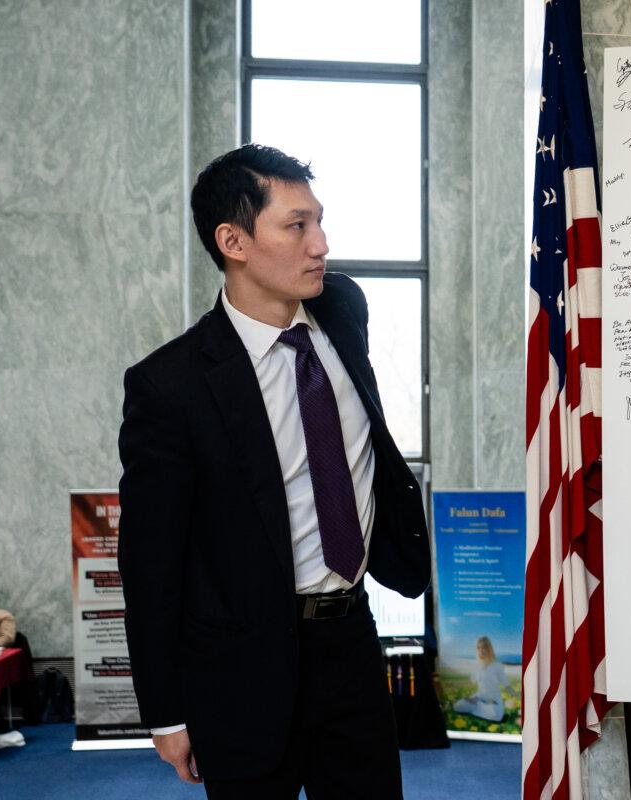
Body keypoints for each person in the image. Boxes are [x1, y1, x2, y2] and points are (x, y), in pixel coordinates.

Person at [117, 143, 430, 799]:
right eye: (297, 226)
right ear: (232, 240)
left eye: (319, 221)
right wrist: (166, 713)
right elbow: (151, 562)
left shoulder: (342, 309)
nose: (321, 244)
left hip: (349, 638)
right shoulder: (170, 387)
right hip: (240, 664)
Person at [452, 636, 510, 722]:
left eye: (484, 647)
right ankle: (479, 706)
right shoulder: (477, 666)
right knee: (457, 706)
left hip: (493, 700)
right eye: (479, 648)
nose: (481, 650)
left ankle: (477, 707)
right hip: (479, 698)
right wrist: (455, 685)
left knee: (496, 715)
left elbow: (506, 684)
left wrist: (518, 695)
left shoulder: (497, 665)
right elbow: (470, 681)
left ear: (489, 648)